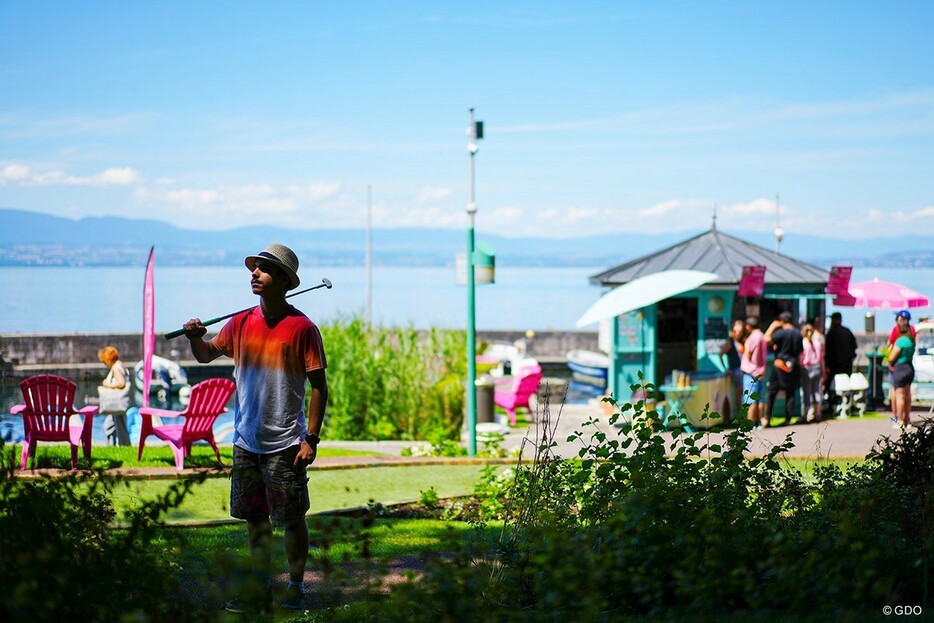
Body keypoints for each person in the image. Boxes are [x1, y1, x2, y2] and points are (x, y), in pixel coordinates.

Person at [182, 243, 328, 613]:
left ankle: (295, 587)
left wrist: (310, 439)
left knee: (293, 520)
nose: (254, 274)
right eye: (254, 268)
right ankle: (260, 591)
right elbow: (206, 355)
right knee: (255, 521)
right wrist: (195, 336)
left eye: (264, 269)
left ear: (283, 280)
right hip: (246, 442)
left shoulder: (303, 328)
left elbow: (320, 388)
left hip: (285, 444)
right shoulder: (241, 322)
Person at [764, 311, 804, 427]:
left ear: (781, 321)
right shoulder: (798, 333)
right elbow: (801, 351)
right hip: (794, 365)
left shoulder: (780, 333)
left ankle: (767, 418)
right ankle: (788, 418)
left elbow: (766, 339)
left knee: (772, 391)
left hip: (779, 364)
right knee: (791, 392)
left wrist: (772, 326)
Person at [886, 310, 917, 424]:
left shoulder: (900, 339)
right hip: (909, 367)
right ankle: (907, 419)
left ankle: (899, 419)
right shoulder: (912, 338)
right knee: (907, 395)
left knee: (898, 395)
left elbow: (891, 356)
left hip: (899, 368)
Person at [97, 345, 131, 446]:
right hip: (118, 403)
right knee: (110, 427)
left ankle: (123, 446)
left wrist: (107, 384)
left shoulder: (116, 367)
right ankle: (115, 446)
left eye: (104, 361)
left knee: (115, 427)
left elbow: (121, 383)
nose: (104, 363)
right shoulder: (120, 364)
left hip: (116, 403)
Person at [739, 316, 767, 428]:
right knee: (759, 398)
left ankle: (749, 424)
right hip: (760, 371)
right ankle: (758, 422)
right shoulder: (763, 336)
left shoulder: (752, 338)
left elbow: (748, 354)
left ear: (748, 327)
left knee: (750, 400)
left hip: (751, 371)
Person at [720, 319, 746, 419]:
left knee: (746, 394)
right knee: (739, 394)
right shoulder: (730, 341)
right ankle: (741, 417)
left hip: (745, 370)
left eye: (740, 331)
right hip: (737, 370)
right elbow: (721, 354)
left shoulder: (743, 341)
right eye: (735, 331)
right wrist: (726, 369)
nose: (738, 333)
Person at [799, 323, 823, 422]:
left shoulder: (804, 342)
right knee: (816, 390)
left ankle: (806, 414)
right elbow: (821, 356)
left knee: (807, 392)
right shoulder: (817, 342)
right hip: (817, 366)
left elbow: (801, 357)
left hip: (807, 367)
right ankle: (817, 413)